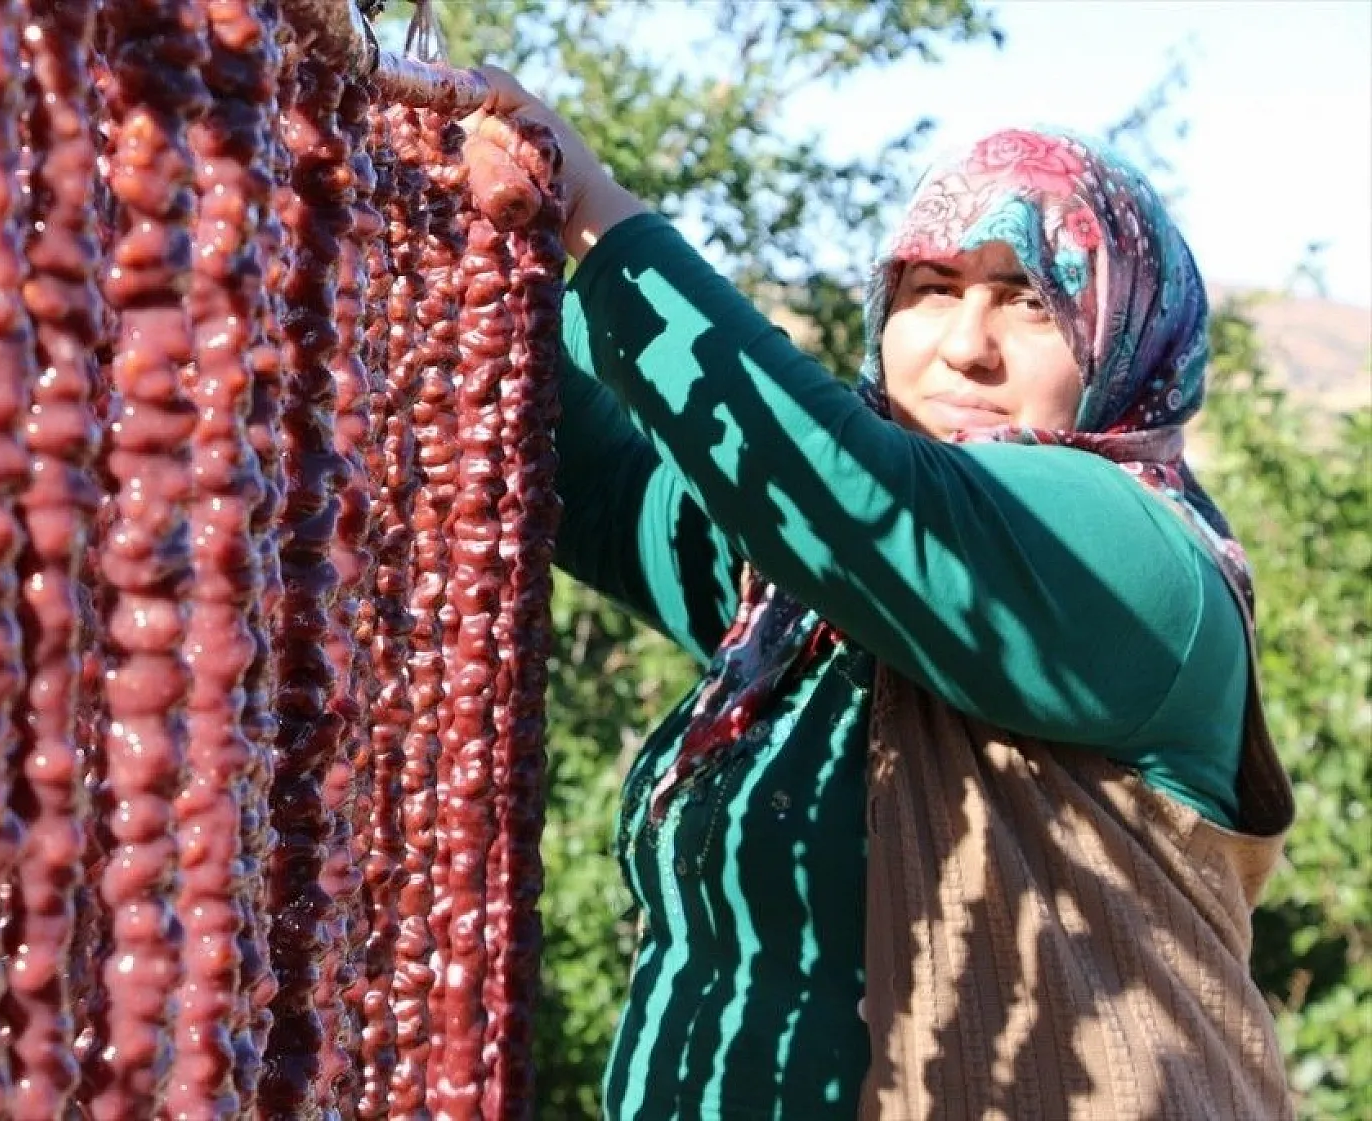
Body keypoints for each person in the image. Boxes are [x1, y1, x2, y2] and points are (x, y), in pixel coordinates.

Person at [461, 68, 1297, 1120]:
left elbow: (852, 493)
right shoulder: (796, 594)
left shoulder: (1135, 558)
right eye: (930, 289)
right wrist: (478, 236)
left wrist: (594, 208)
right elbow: (594, 477)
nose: (963, 346)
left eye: (1028, 301)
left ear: (1126, 341)